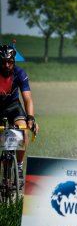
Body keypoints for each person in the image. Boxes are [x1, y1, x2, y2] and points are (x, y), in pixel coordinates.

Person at [0, 44, 38, 180]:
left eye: (9, 62)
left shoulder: (20, 73)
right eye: (3, 62)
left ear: (14, 61)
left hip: (13, 106)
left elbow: (27, 99)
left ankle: (20, 167)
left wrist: (31, 118)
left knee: (23, 130)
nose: (6, 65)